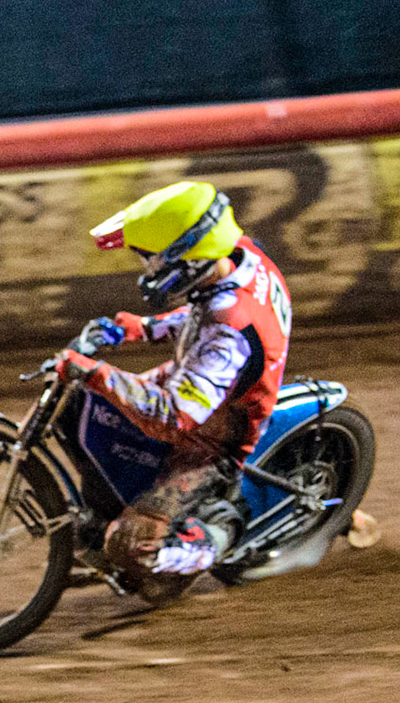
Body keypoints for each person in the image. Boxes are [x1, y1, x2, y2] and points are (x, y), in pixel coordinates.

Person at [52, 181, 293, 600]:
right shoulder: (237, 255)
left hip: (210, 442)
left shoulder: (229, 334)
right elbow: (206, 309)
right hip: (200, 382)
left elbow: (173, 418)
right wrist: (143, 328)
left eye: (153, 259)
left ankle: (219, 536)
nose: (148, 268)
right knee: (77, 406)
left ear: (190, 257)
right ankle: (113, 502)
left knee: (129, 546)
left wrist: (97, 373)